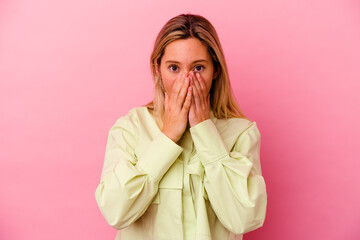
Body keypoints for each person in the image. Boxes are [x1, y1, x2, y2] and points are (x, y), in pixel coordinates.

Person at [95, 13, 267, 240]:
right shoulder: (131, 128)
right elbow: (114, 212)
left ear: (215, 70)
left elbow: (244, 218)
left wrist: (205, 130)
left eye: (198, 68)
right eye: (174, 68)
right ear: (158, 69)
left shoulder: (241, 133)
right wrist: (167, 136)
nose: (186, 80)